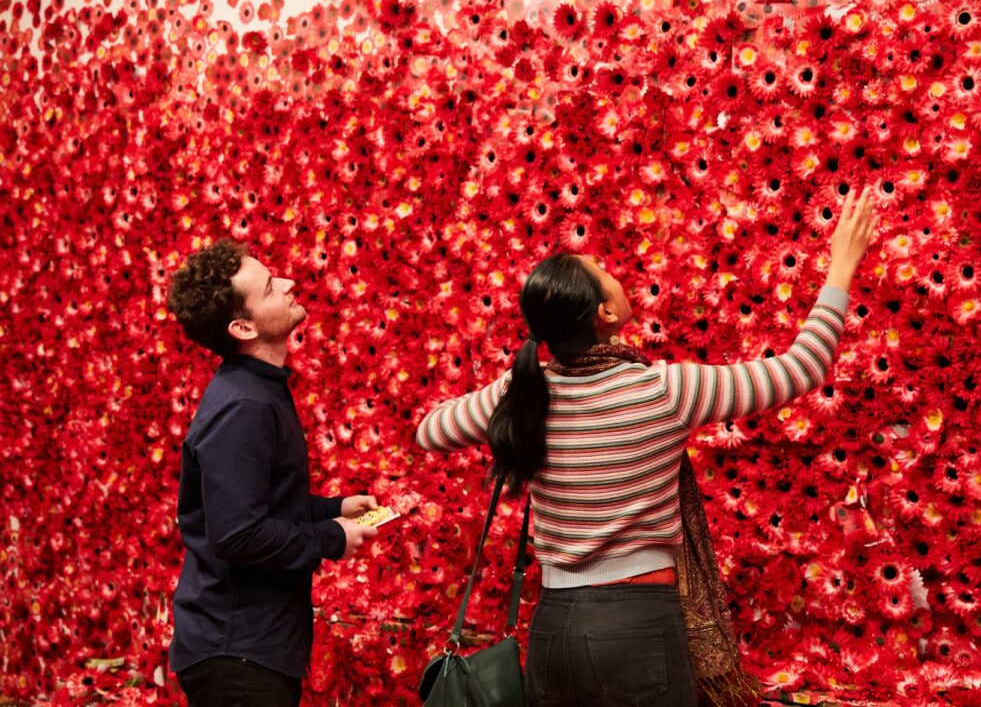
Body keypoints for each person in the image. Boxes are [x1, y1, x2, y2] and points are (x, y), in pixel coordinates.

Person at [416, 188, 877, 706]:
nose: (614, 271)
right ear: (606, 312)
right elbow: (800, 369)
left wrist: (510, 389)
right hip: (636, 627)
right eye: (602, 269)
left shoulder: (523, 393)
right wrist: (842, 268)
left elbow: (430, 431)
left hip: (553, 629)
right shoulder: (662, 391)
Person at [165, 238, 380, 707]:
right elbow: (238, 535)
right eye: (268, 288)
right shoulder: (243, 406)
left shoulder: (257, 390)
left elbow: (256, 507)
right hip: (236, 649)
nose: (287, 283)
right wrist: (332, 536)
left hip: (253, 645)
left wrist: (335, 509)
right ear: (243, 326)